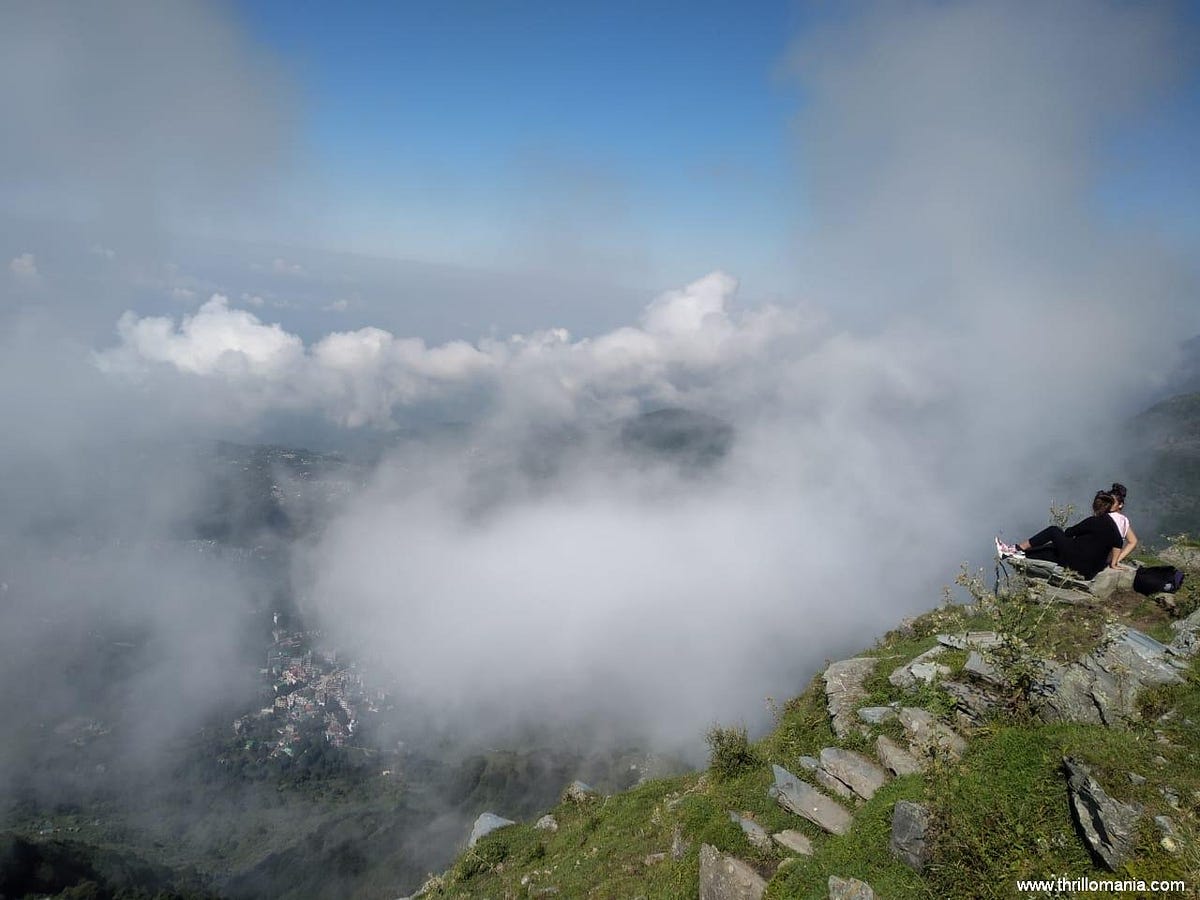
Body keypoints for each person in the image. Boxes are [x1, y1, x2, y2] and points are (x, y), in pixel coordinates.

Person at [996, 490, 1124, 580]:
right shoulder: (1112, 526)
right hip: (1090, 571)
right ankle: (1020, 555)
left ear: (1094, 506)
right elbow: (1118, 543)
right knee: (1051, 550)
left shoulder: (1092, 521)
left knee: (1053, 531)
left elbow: (1069, 532)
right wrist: (1113, 563)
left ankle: (1015, 549)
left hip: (1075, 562)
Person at [1107, 482, 1139, 569]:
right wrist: (1117, 559)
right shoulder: (1124, 520)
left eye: (1111, 502)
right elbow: (1133, 541)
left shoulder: (1104, 516)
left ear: (1120, 504)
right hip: (1109, 559)